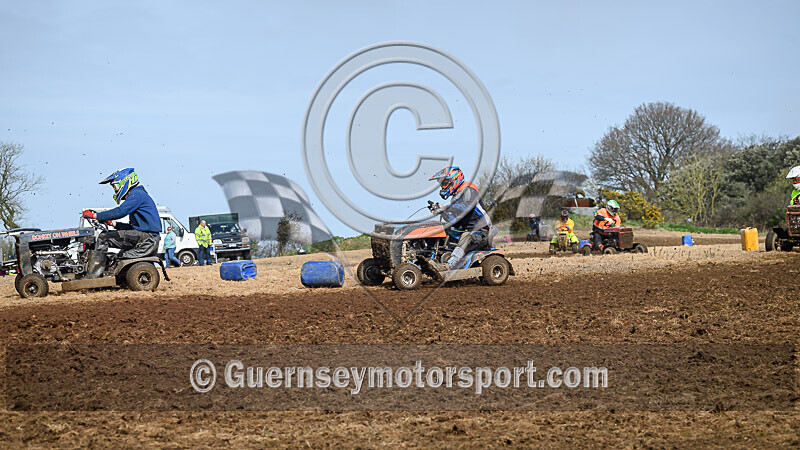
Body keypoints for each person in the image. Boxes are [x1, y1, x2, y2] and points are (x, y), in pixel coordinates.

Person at [81, 168, 161, 279]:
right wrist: (114, 224)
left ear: (125, 181)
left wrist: (96, 216)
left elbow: (120, 211)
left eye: (115, 186)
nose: (115, 189)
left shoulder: (137, 195)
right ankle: (102, 271)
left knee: (104, 238)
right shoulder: (139, 195)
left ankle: (93, 276)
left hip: (147, 239)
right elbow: (135, 228)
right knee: (110, 243)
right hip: (146, 237)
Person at [428, 166, 493, 275]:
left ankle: (449, 265)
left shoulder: (469, 190)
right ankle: (431, 257)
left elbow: (467, 206)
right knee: (441, 230)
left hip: (483, 231)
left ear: (454, 180)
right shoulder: (455, 197)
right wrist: (442, 213)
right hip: (467, 229)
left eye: (444, 183)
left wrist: (445, 208)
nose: (442, 186)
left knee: (466, 236)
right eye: (441, 184)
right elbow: (455, 220)